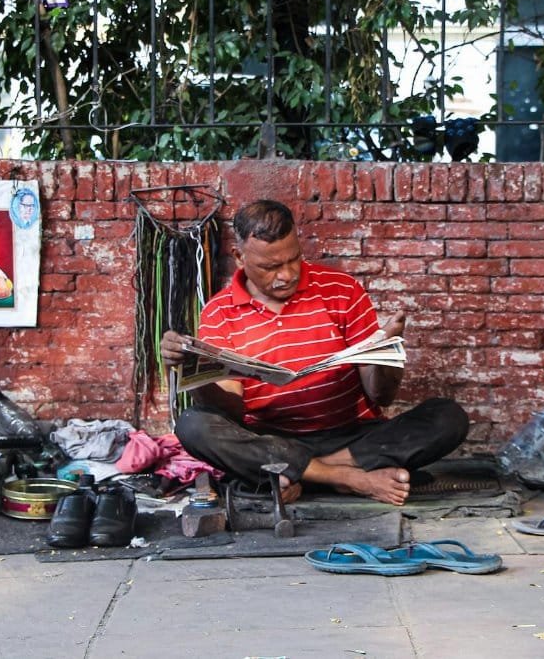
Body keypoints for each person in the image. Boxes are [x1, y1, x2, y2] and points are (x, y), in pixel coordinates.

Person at [160, 199, 468, 506]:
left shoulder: (342, 290)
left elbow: (381, 396)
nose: (287, 275)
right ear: (240, 257)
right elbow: (231, 413)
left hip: (351, 436)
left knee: (447, 418)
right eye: (270, 267)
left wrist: (386, 352)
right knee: (193, 425)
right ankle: (347, 479)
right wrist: (194, 373)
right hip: (271, 443)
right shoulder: (219, 313)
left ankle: (307, 476)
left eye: (293, 259)